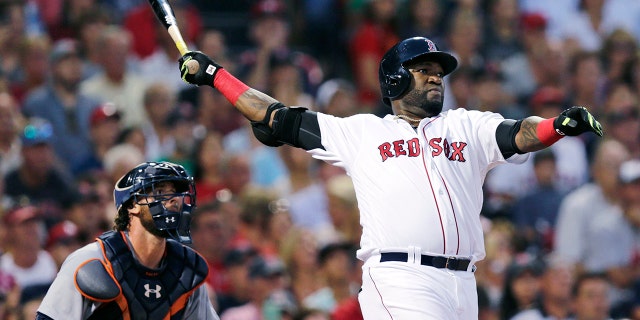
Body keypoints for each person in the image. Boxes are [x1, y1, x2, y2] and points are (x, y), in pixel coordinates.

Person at [178, 36, 603, 319]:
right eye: (424, 68)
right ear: (396, 78)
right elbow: (276, 117)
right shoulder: (363, 132)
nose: (437, 74)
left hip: (463, 283)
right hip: (402, 275)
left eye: (439, 69)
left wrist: (556, 127)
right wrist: (216, 76)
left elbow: (518, 133)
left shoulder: (465, 126)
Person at [36, 161, 220, 319]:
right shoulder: (91, 260)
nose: (173, 200)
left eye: (176, 193)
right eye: (160, 191)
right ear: (132, 206)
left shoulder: (186, 269)